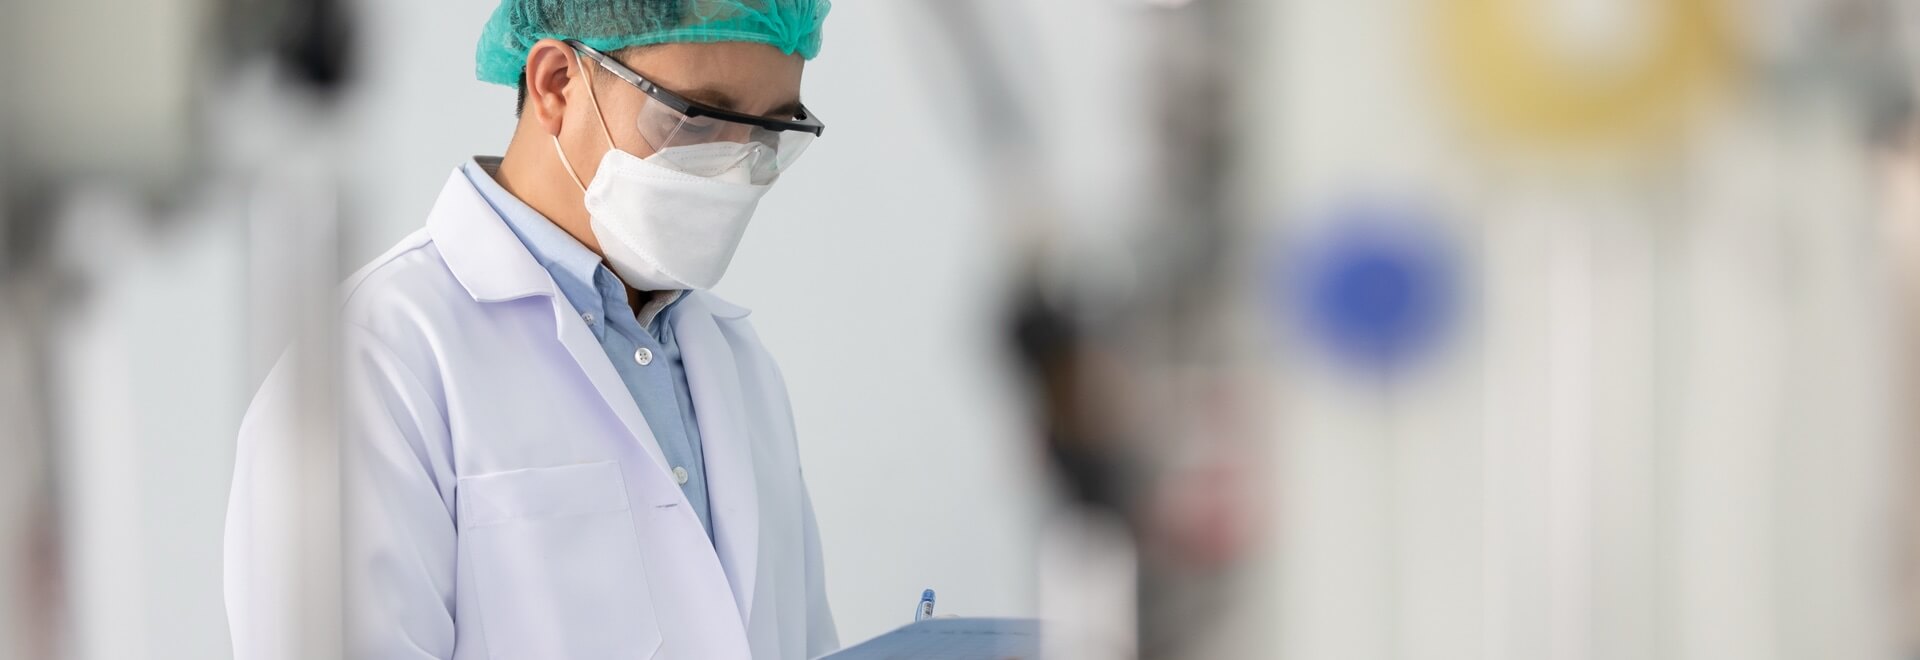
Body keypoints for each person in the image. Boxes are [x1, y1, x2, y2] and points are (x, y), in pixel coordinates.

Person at [222, 1, 838, 658]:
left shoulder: (739, 364)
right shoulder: (373, 360)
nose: (734, 168)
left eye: (769, 132)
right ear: (556, 84)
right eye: (698, 119)